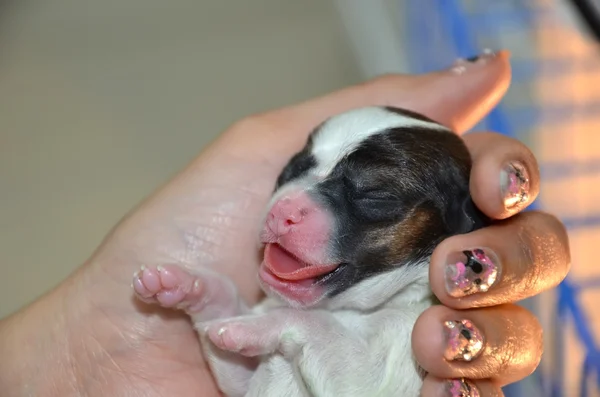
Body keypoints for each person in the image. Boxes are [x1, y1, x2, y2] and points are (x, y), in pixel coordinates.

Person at [0, 51, 569, 397]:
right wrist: (214, 307)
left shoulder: (421, 331)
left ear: (453, 225)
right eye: (300, 167)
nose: (292, 201)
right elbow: (247, 380)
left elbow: (339, 380)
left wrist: (286, 331)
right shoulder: (310, 305)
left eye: (369, 193)